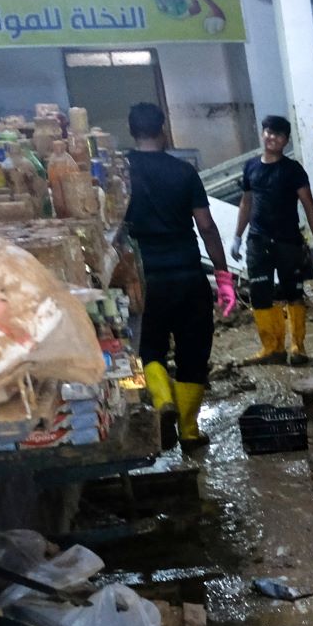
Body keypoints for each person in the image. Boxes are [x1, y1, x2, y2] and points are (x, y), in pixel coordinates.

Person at [119, 102, 232, 448]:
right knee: (193, 352)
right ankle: (189, 431)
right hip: (186, 275)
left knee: (149, 346)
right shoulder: (184, 172)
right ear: (162, 129)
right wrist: (224, 276)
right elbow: (207, 227)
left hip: (144, 278)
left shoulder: (120, 172)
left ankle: (162, 398)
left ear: (132, 131)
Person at [233, 113, 313, 365]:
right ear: (263, 134)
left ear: (285, 141)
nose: (272, 138)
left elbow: (308, 205)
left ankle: (298, 347)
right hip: (258, 241)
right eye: (269, 132)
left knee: (293, 292)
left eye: (279, 135)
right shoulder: (251, 167)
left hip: (288, 241)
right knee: (260, 293)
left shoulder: (292, 170)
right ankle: (271, 348)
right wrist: (238, 236)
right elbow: (246, 202)